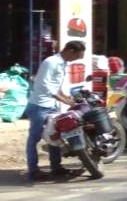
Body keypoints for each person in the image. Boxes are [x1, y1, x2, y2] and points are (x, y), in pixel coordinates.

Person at [25, 40, 86, 181]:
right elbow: (45, 85)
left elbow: (55, 85)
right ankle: (33, 171)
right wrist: (63, 100)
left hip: (51, 106)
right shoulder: (51, 62)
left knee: (55, 136)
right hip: (39, 106)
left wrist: (66, 97)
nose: (75, 60)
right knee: (34, 138)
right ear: (70, 51)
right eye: (76, 56)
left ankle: (56, 167)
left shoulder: (62, 63)